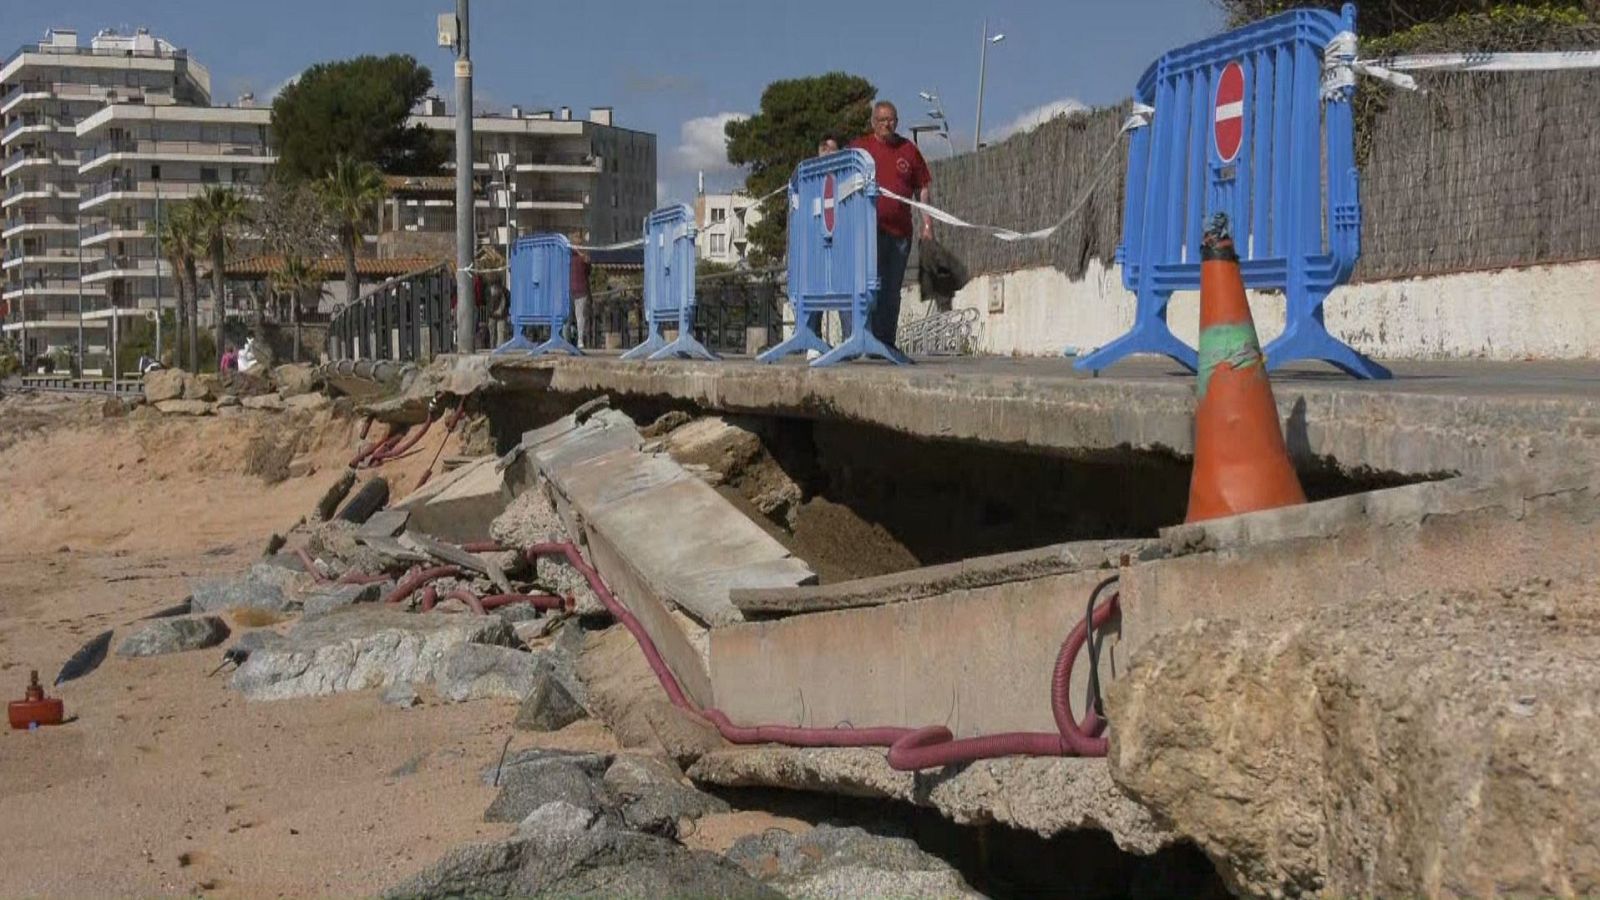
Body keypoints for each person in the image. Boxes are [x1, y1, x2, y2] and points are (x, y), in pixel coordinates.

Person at [850, 101, 933, 353]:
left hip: (900, 234)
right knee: (866, 287)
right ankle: (863, 340)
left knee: (891, 289)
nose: (888, 124)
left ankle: (885, 342)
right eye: (883, 119)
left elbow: (923, 187)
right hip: (867, 234)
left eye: (892, 119)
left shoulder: (908, 149)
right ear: (873, 122)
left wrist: (927, 224)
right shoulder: (859, 148)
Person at [806, 134, 846, 357]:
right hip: (815, 245)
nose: (829, 154)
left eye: (833, 150)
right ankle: (813, 341)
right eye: (825, 150)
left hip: (841, 244)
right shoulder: (809, 178)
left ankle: (850, 341)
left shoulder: (845, 177)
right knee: (813, 292)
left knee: (845, 291)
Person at [571, 249, 592, 349]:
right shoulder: (584, 259)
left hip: (569, 289)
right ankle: (580, 340)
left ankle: (567, 339)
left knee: (568, 317)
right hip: (581, 290)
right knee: (580, 316)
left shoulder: (568, 258)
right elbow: (588, 272)